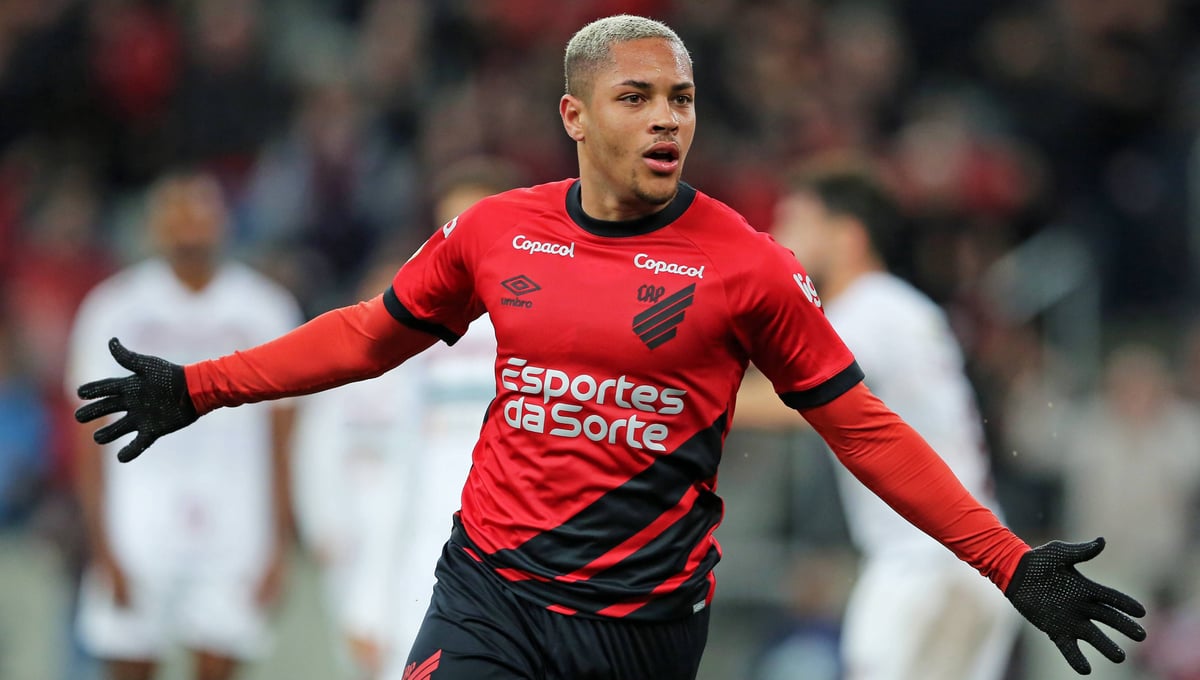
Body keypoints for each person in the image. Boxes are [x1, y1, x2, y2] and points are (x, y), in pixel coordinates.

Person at [73, 15, 1146, 680]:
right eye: (636, 97)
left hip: (640, 624)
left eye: (681, 98)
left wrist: (1008, 560)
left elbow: (862, 427)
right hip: (488, 588)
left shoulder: (749, 266)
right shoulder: (496, 230)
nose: (666, 117)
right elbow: (368, 337)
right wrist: (201, 386)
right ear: (575, 116)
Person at [737, 162, 1020, 680]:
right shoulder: (895, 309)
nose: (777, 237)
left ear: (848, 236)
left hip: (927, 566)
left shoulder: (871, 310)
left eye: (796, 221)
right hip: (957, 559)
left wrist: (675, 397)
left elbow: (799, 401)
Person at [66, 170, 304, 680]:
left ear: (224, 223)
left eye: (200, 216)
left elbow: (285, 438)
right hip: (136, 521)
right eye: (177, 217)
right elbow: (87, 432)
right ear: (154, 227)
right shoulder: (113, 307)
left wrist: (279, 545)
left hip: (235, 523)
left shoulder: (265, 309)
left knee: (218, 665)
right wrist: (100, 545)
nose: (190, 230)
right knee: (129, 663)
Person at [293, 160, 517, 679]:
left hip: (520, 562)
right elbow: (397, 471)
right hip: (429, 560)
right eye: (453, 226)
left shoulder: (552, 327)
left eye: (482, 223)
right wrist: (369, 603)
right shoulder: (419, 335)